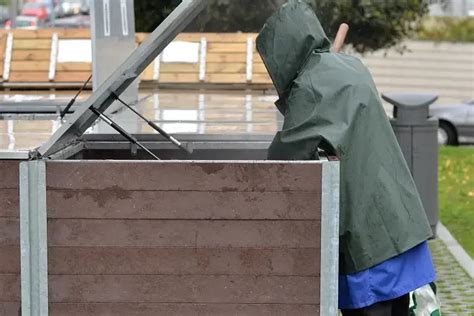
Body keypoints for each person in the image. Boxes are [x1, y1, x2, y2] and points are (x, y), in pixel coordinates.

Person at [256, 1, 437, 315]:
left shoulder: (308, 89)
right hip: (401, 220)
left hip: (370, 241)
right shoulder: (351, 66)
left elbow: (283, 157)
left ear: (281, 54)